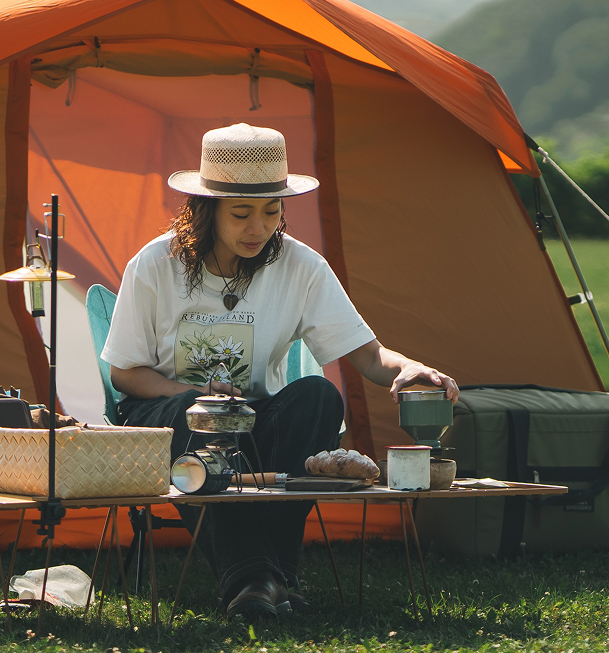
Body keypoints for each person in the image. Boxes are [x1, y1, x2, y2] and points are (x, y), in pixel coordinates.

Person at [101, 123, 458, 619]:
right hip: (163, 419)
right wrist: (194, 394)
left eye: (272, 212)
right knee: (196, 413)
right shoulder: (156, 264)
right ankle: (259, 580)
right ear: (206, 211)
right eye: (242, 213)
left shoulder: (300, 267)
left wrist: (413, 368)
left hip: (250, 423)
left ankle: (259, 581)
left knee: (318, 395)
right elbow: (125, 373)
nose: (258, 228)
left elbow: (369, 356)